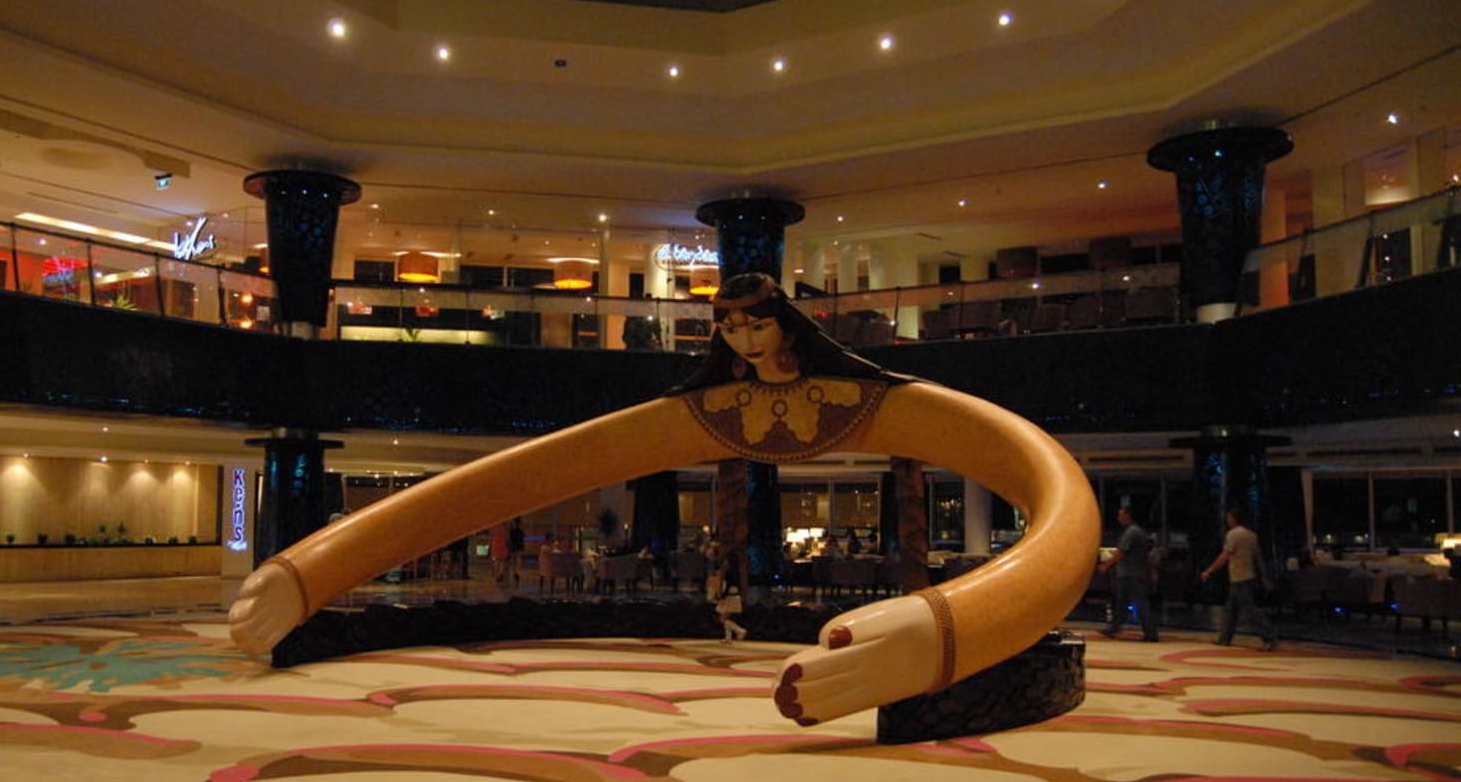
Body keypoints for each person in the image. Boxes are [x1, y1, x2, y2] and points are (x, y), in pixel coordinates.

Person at [229, 272, 1102, 729]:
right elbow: (490, 487)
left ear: (788, 324)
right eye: (729, 326)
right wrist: (309, 570)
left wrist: (946, 627)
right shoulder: (701, 407)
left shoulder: (882, 399)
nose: (743, 336)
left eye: (756, 322)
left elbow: (1062, 518)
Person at [1200, 506, 1278, 651]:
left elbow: (1225, 556)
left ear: (1234, 519)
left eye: (1229, 517)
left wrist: (1209, 570)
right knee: (1231, 610)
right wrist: (1263, 577)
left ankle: (1269, 636)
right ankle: (1224, 637)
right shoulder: (1252, 535)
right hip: (1248, 576)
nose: (1227, 520)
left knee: (1250, 611)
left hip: (1239, 577)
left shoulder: (1233, 535)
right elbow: (1258, 559)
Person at [1098, 504, 1157, 641]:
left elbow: (1121, 552)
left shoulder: (1131, 532)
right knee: (1123, 603)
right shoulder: (1138, 532)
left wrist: (1106, 565)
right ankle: (1114, 628)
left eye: (1120, 515)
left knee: (1139, 604)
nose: (1118, 518)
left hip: (1131, 574)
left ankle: (1150, 633)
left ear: (1127, 515)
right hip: (1134, 573)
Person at [707, 550, 747, 642]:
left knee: (723, 618)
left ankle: (740, 630)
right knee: (725, 617)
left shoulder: (729, 573)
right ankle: (728, 637)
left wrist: (722, 597)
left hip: (730, 596)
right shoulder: (738, 572)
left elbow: (728, 586)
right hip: (735, 596)